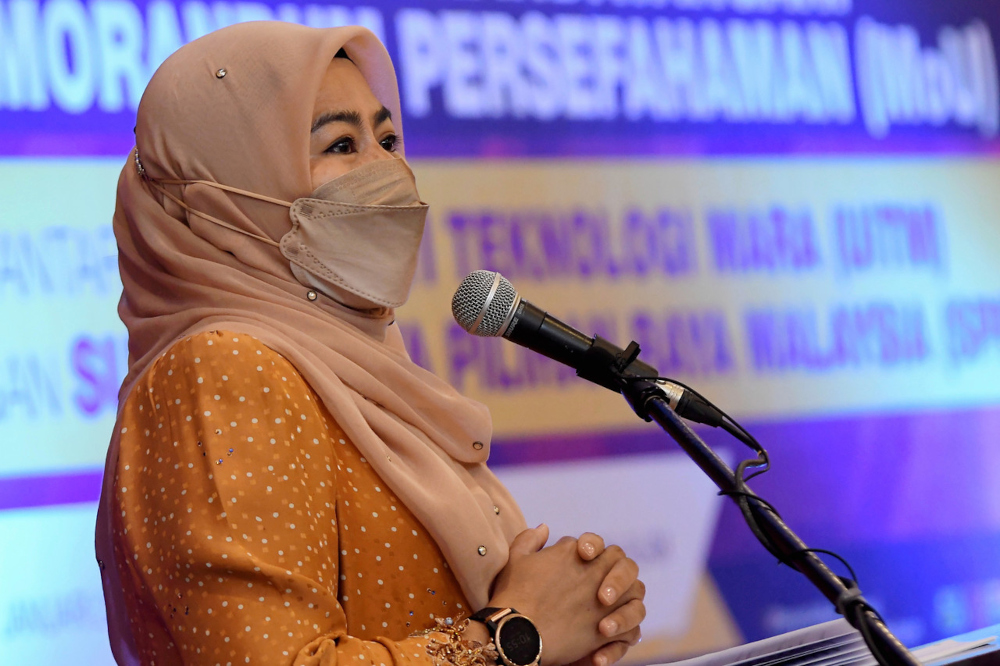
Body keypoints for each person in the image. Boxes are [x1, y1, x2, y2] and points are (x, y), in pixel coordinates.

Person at [96, 21, 647, 666]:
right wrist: (513, 636)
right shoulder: (224, 369)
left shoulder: (360, 373)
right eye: (340, 144)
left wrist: (581, 612)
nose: (388, 168)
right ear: (220, 192)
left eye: (388, 138)